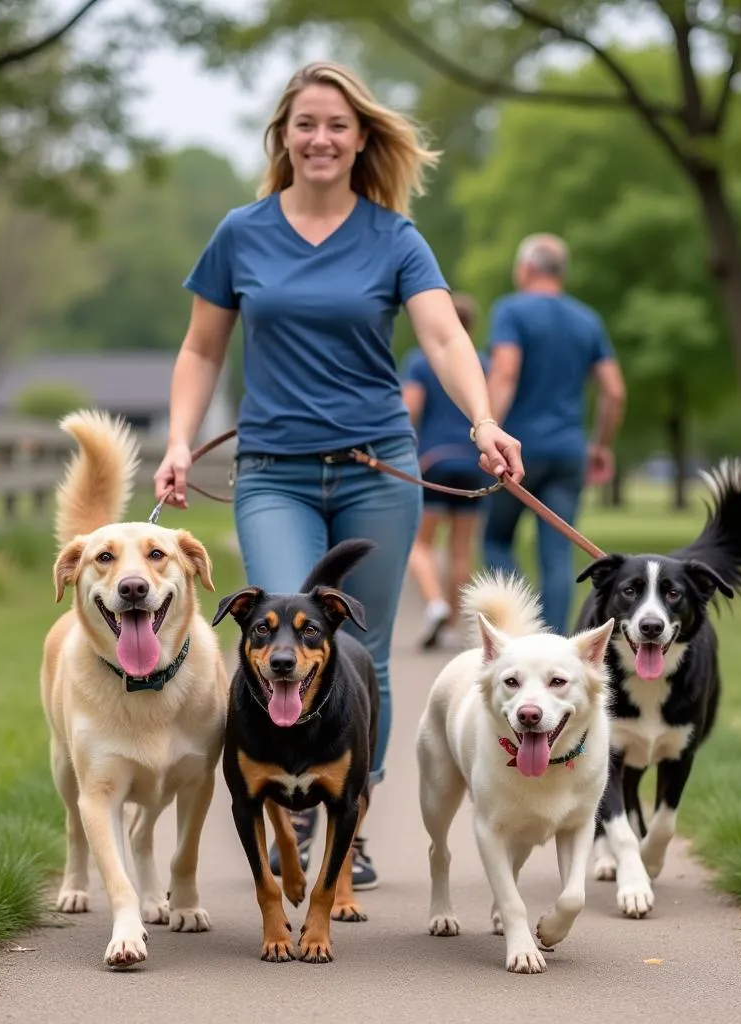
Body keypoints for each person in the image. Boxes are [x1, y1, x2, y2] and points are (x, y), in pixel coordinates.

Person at [152, 60, 524, 892]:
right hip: (274, 471)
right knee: (280, 634)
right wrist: (180, 439)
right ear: (284, 136)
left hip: (376, 469)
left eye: (337, 126)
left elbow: (444, 339)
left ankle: (347, 817)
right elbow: (201, 348)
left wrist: (483, 419)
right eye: (305, 124)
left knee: (360, 652)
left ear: (361, 140)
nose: (320, 139)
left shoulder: (394, 237)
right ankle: (291, 814)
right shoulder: (241, 233)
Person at [483, 232, 626, 636]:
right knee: (557, 555)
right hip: (568, 452)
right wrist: (599, 444)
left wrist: (487, 426)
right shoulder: (587, 320)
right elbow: (614, 391)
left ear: (526, 268)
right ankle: (554, 643)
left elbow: (505, 373)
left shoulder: (511, 312)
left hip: (518, 450)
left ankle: (518, 627)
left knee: (495, 540)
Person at [401, 293, 491, 649]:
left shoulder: (421, 362)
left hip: (434, 462)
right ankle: (453, 624)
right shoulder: (482, 363)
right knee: (461, 550)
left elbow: (410, 409)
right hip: (473, 463)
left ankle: (436, 605)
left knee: (419, 544)